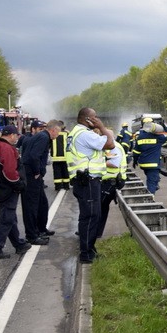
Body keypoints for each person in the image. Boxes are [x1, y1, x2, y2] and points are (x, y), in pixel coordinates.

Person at [67, 107, 115, 264]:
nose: (97, 119)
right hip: (88, 181)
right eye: (95, 117)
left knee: (90, 216)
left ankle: (90, 249)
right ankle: (86, 253)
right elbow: (110, 144)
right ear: (87, 119)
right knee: (91, 217)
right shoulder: (85, 134)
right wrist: (101, 127)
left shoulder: (75, 132)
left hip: (84, 180)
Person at [0, 125, 31, 259]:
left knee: (9, 217)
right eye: (16, 135)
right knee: (6, 219)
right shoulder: (7, 149)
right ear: (11, 135)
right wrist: (19, 184)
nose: (17, 138)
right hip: (8, 189)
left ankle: (18, 244)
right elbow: (10, 171)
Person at [20, 119, 60, 245]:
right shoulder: (43, 138)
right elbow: (33, 156)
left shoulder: (41, 137)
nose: (57, 136)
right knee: (31, 206)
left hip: (33, 175)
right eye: (57, 133)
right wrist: (37, 171)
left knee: (42, 203)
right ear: (53, 130)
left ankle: (40, 229)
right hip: (31, 175)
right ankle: (31, 235)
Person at [96, 143, 126, 240]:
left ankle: (96, 232)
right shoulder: (109, 147)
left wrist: (97, 163)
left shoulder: (114, 147)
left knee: (101, 206)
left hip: (111, 181)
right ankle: (95, 231)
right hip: (108, 181)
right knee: (101, 206)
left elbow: (114, 163)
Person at [132, 121, 167, 194]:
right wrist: (163, 126)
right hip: (153, 164)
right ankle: (151, 200)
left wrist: (135, 161)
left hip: (144, 164)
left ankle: (155, 185)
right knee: (151, 183)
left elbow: (136, 152)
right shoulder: (159, 137)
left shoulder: (140, 137)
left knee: (153, 179)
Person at [51, 121, 70, 190]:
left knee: (57, 172)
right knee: (65, 171)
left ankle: (58, 186)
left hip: (55, 158)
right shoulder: (67, 134)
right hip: (65, 157)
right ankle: (66, 185)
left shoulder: (53, 134)